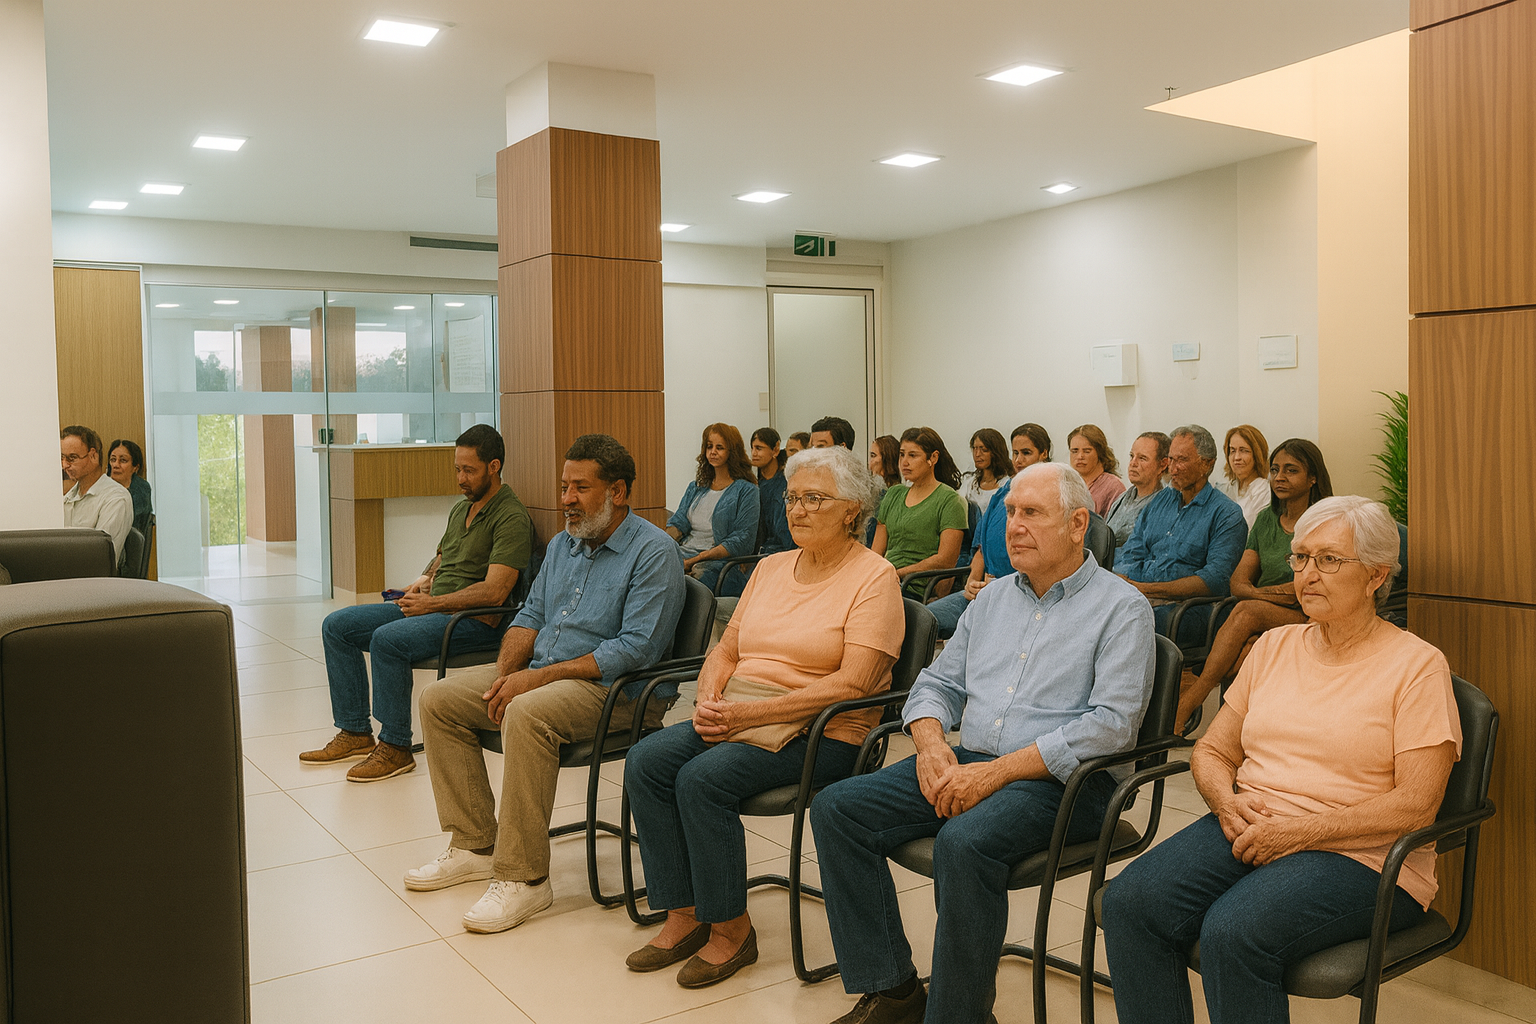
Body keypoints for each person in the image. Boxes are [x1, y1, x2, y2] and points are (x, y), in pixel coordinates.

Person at [812, 462, 1156, 1024]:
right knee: (838, 809)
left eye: (1032, 514)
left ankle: (959, 1016)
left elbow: (1111, 726)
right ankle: (893, 990)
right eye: (1011, 512)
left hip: (1071, 782)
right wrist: (930, 745)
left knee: (964, 842)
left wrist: (996, 774)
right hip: (973, 759)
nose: (1013, 526)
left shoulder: (1122, 609)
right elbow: (937, 684)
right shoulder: (993, 600)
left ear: (1077, 524)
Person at [1102, 496, 1461, 1024]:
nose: (1308, 574)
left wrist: (1297, 833)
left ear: (1376, 575)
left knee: (1234, 931)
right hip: (1253, 823)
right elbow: (1213, 750)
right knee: (1130, 905)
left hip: (1364, 855)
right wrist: (1226, 803)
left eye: (1329, 560)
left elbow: (1415, 807)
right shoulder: (1273, 645)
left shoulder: (1418, 667)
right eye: (1300, 558)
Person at [622, 445, 902, 987]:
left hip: (827, 729)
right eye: (793, 498)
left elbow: (854, 683)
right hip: (744, 712)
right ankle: (685, 913)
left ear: (852, 510)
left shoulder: (875, 577)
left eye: (813, 499)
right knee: (647, 762)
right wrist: (709, 698)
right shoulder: (771, 567)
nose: (795, 510)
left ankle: (732, 931)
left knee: (702, 780)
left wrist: (751, 713)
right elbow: (725, 650)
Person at [405, 434, 686, 934]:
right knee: (439, 699)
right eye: (564, 486)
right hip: (544, 675)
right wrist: (510, 673)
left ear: (618, 491)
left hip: (618, 691)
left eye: (580, 488)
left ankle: (525, 878)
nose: (566, 500)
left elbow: (635, 650)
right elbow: (529, 615)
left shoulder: (654, 552)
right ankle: (474, 843)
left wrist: (535, 681)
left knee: (527, 712)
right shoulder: (563, 544)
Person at [300, 425, 532, 782]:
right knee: (338, 626)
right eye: (457, 469)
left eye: (468, 470)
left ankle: (395, 746)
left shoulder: (511, 517)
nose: (460, 478)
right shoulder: (461, 509)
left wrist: (433, 604)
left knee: (389, 640)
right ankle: (356, 732)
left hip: (475, 621)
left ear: (494, 466)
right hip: (437, 606)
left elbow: (495, 592)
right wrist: (424, 580)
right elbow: (443, 555)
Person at [1176, 438, 1333, 731]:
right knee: (1247, 646)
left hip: (1311, 613)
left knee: (1248, 612)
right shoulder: (1265, 519)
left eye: (1291, 470)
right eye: (1274, 470)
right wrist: (1267, 595)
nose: (1280, 477)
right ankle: (1237, 736)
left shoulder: (1324, 522)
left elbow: (1304, 589)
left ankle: (1192, 698)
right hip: (1269, 612)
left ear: (1313, 478)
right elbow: (1238, 582)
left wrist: (1260, 598)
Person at [1113, 424, 1248, 648]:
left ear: (1206, 464)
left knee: (1129, 624)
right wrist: (1128, 587)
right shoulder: (1159, 502)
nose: (1172, 469)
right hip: (1140, 597)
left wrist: (1146, 590)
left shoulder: (1226, 514)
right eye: (1171, 459)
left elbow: (1214, 580)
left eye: (1182, 460)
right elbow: (1132, 553)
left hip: (1189, 607)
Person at [926, 422, 1052, 638]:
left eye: (1026, 453)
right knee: (923, 620)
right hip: (985, 590)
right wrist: (972, 584)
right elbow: (981, 548)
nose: (1019, 460)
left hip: (1023, 595)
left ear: (1044, 454)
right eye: (1015, 453)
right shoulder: (1002, 493)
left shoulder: (1051, 499)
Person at [870, 426, 967, 595]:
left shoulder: (950, 500)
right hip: (884, 581)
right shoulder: (894, 494)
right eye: (902, 454)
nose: (904, 462)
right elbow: (876, 553)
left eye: (913, 455)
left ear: (933, 458)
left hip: (914, 586)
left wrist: (898, 573)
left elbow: (945, 560)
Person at [665, 423, 759, 591]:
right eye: (709, 446)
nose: (712, 452)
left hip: (716, 563)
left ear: (732, 452)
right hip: (684, 554)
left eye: (719, 447)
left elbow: (742, 540)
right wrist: (659, 543)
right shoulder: (696, 487)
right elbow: (679, 522)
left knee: (688, 579)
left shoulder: (747, 491)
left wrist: (696, 559)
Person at [717, 427, 792, 598]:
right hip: (753, 552)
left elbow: (783, 536)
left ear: (775, 450)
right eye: (752, 448)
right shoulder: (752, 484)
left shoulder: (784, 486)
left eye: (759, 448)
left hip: (774, 553)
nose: (754, 453)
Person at [60, 425, 133, 563]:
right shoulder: (69, 497)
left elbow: (99, 556)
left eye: (72, 458)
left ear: (93, 456)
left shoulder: (116, 498)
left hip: (93, 579)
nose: (64, 465)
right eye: (62, 457)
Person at [1104, 431, 1169, 547]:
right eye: (1131, 456)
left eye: (1142, 458)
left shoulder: (1163, 506)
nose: (1133, 463)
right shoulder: (1123, 497)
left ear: (1163, 465)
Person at [1068, 423, 1126, 517]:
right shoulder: (1066, 483)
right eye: (1074, 451)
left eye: (1087, 451)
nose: (1080, 456)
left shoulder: (1113, 486)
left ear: (1099, 453)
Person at [1220, 424, 1272, 528]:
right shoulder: (1225, 490)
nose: (1236, 457)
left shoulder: (1264, 491)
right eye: (1232, 451)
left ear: (1257, 455)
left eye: (1244, 450)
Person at [106, 438, 153, 540]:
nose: (116, 465)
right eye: (113, 460)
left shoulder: (141, 489)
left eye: (123, 460)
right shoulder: (101, 487)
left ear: (135, 467)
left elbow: (129, 526)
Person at [959, 427, 1011, 517]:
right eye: (975, 448)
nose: (977, 454)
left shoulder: (1007, 485)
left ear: (995, 452)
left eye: (983, 449)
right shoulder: (969, 482)